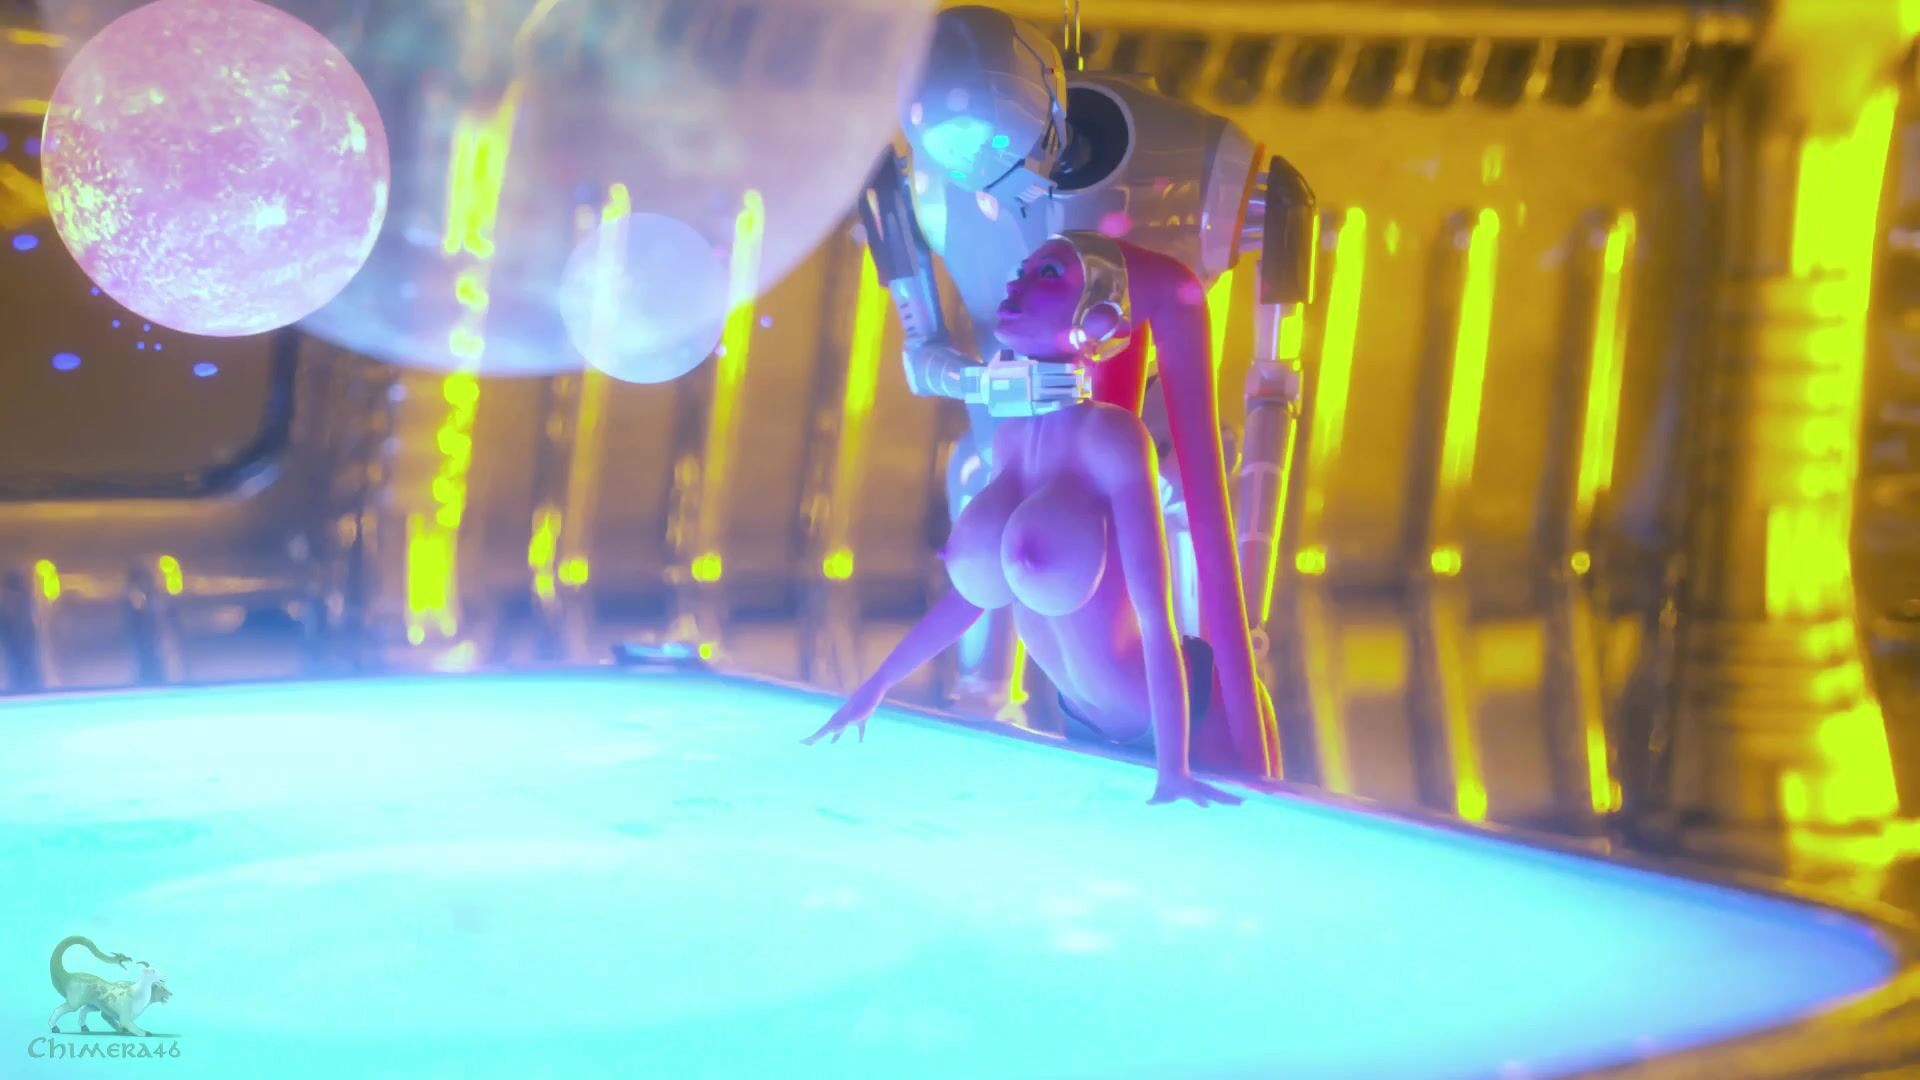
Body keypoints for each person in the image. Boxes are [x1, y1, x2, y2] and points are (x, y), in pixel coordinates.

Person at [805, 231, 1275, 805]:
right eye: (1022, 271)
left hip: (1185, 725)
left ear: (1097, 318)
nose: (1017, 282)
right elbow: (974, 598)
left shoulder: (1112, 437)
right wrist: (876, 685)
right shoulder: (1010, 439)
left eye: (1048, 274)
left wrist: (1173, 767)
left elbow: (1155, 616)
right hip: (1081, 726)